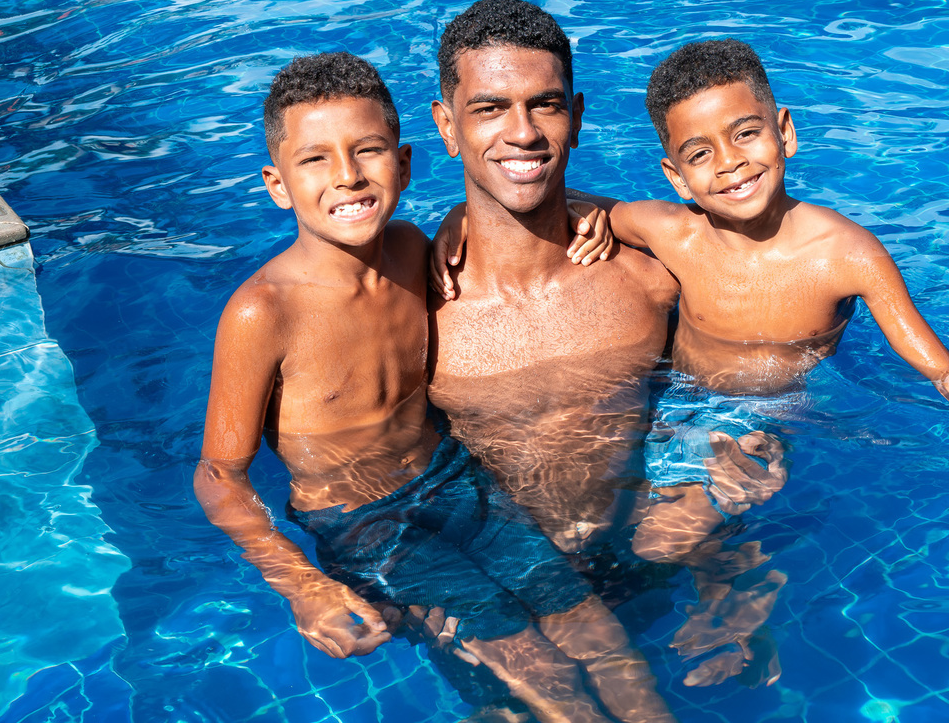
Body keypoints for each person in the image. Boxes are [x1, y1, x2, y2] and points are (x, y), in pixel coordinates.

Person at [194, 51, 676, 723]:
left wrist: (595, 213)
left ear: (406, 162)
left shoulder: (414, 248)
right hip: (365, 520)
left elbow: (501, 218)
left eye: (367, 151)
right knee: (539, 677)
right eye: (316, 161)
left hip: (457, 482)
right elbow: (219, 473)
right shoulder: (263, 312)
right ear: (278, 184)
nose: (347, 176)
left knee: (601, 639)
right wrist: (300, 585)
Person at [555, 38, 949, 553]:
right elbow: (558, 198)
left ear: (785, 132)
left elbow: (944, 373)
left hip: (767, 416)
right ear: (677, 177)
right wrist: (467, 220)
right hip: (669, 402)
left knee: (661, 543)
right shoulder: (670, 232)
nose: (729, 163)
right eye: (700, 154)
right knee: (580, 529)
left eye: (745, 133)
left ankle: (740, 566)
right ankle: (730, 577)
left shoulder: (847, 255)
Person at [426, 0, 787, 692]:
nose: (523, 132)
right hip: (502, 594)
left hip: (653, 554)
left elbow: (753, 378)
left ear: (578, 116)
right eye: (489, 108)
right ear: (447, 126)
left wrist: (759, 459)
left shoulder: (651, 275)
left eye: (547, 105)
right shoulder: (415, 305)